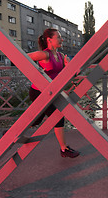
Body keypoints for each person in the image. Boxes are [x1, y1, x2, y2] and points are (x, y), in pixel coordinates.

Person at [28, 28, 80, 158]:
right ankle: (64, 149)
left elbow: (74, 73)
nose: (62, 39)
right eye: (59, 37)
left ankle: (11, 133)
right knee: (58, 116)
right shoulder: (44, 55)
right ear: (49, 40)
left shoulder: (62, 57)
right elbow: (22, 59)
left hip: (51, 92)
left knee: (36, 120)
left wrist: (68, 66)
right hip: (38, 92)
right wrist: (36, 73)